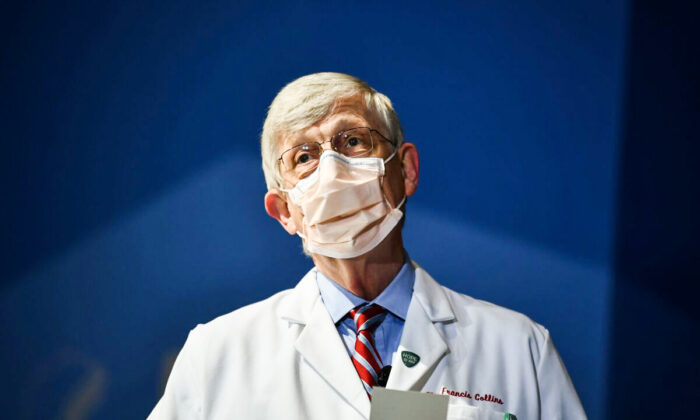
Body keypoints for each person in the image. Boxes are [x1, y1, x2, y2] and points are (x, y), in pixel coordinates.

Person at [148, 72, 586, 419]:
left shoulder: (519, 349)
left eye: (352, 141)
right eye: (304, 157)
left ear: (406, 170)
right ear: (284, 211)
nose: (332, 169)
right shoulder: (217, 355)